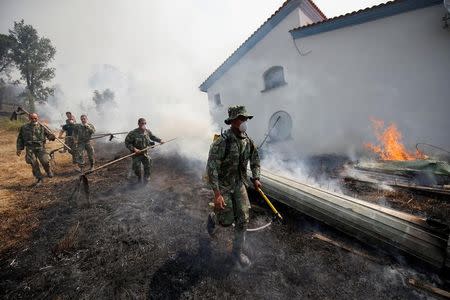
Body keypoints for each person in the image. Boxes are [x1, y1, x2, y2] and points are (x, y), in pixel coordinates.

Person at [206, 105, 261, 267]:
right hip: (223, 185)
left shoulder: (248, 141)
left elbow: (255, 160)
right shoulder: (222, 142)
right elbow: (212, 168)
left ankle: (236, 253)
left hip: (239, 184)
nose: (245, 121)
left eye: (246, 119)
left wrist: (256, 177)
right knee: (226, 222)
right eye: (241, 118)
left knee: (243, 219)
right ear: (232, 121)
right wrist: (217, 194)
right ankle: (214, 217)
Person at [16, 112, 56, 185]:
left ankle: (48, 171)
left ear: (38, 118)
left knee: (45, 161)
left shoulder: (43, 126)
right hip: (30, 148)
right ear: (29, 118)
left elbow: (50, 136)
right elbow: (20, 138)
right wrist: (19, 149)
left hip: (40, 147)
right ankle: (39, 178)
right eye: (32, 118)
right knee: (34, 163)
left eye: (35, 118)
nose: (33, 120)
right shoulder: (24, 127)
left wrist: (52, 136)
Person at [125, 118, 164, 184]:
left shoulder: (147, 131)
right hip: (136, 154)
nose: (143, 125)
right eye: (142, 123)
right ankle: (138, 178)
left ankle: (146, 178)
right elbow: (127, 143)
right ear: (138, 124)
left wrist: (160, 140)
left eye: (145, 123)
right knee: (136, 167)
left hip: (145, 153)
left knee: (148, 164)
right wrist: (134, 149)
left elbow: (153, 137)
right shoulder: (133, 133)